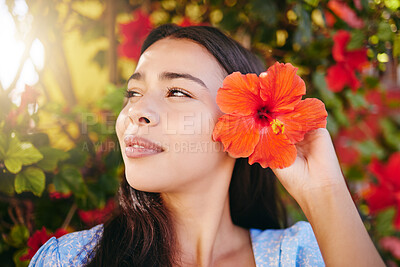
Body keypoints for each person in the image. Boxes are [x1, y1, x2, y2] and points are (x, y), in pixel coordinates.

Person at [29, 24, 384, 267]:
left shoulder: (302, 255)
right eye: (133, 93)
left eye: (177, 91)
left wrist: (324, 192)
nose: (136, 111)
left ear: (242, 126)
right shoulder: (70, 259)